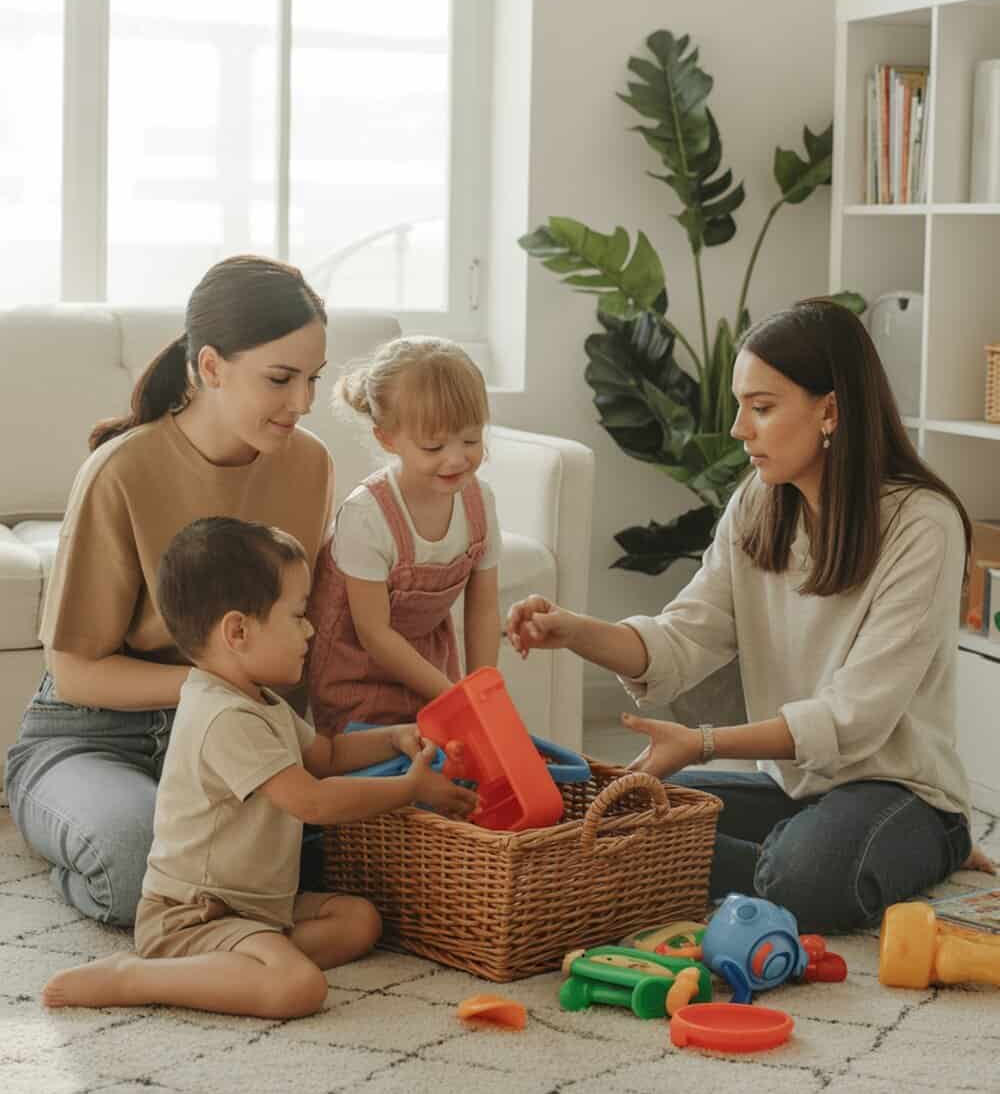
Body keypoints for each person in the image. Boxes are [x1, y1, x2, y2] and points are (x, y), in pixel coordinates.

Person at [507, 298, 993, 934]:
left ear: (832, 410)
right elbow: (683, 639)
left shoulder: (922, 524)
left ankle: (932, 845)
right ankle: (817, 855)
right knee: (628, 815)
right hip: (798, 791)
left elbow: (854, 718)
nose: (740, 429)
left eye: (761, 408)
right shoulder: (760, 502)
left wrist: (703, 744)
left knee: (807, 880)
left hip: (900, 789)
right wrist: (573, 630)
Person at [6, 254, 336, 927]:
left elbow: (300, 627)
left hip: (238, 738)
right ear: (210, 368)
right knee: (136, 868)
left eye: (312, 380)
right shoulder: (122, 470)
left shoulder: (310, 465)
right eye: (280, 378)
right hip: (97, 738)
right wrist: (210, 686)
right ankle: (78, 838)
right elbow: (73, 673)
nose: (301, 404)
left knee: (344, 846)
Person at [41, 517, 473, 1017]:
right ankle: (138, 976)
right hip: (196, 916)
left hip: (256, 907)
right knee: (299, 989)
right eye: (297, 615)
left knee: (359, 921)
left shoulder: (259, 699)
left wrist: (394, 735)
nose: (310, 629)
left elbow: (328, 756)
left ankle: (242, 967)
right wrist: (408, 787)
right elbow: (311, 798)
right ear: (238, 630)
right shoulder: (223, 714)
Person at [307, 336, 501, 734]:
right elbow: (374, 634)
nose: (456, 458)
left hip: (430, 664)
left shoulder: (480, 501)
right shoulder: (366, 515)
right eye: (433, 446)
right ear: (387, 438)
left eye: (471, 439)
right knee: (382, 780)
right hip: (357, 672)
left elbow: (482, 609)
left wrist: (482, 693)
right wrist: (454, 697)